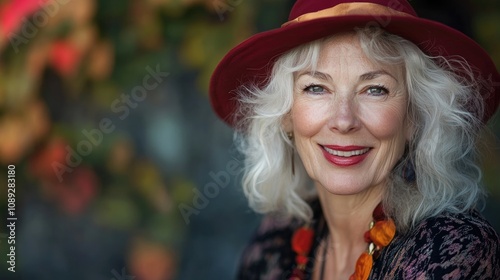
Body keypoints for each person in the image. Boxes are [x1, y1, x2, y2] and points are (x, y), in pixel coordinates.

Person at [209, 0, 500, 279]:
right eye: (316, 88)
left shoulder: (452, 251)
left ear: (414, 116)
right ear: (286, 115)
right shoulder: (275, 243)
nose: (344, 120)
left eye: (374, 89)